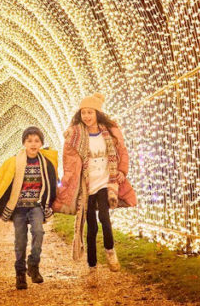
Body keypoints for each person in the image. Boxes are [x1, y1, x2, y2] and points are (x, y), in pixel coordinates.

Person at [53, 94, 136, 273]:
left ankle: (110, 250)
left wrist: (121, 170)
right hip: (87, 185)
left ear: (97, 113)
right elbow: (69, 160)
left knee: (105, 217)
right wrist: (70, 179)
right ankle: (92, 266)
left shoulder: (110, 132)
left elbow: (122, 150)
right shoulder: (76, 135)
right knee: (91, 225)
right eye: (83, 113)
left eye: (90, 112)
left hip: (106, 181)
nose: (87, 116)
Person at [0, 126, 58, 289]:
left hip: (36, 206)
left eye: (36, 141)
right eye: (29, 141)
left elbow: (53, 185)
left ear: (41, 143)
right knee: (20, 241)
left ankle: (33, 265)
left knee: (38, 232)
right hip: (19, 207)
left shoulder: (47, 163)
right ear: (24, 143)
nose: (33, 144)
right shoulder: (13, 162)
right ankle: (20, 273)